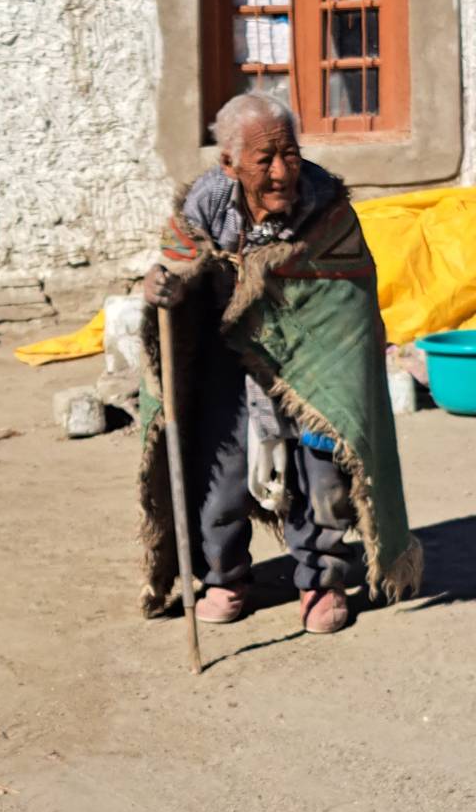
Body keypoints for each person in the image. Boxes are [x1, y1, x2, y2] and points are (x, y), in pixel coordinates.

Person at [140, 92, 422, 634]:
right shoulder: (205, 206)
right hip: (230, 357)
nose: (281, 171)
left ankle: (322, 579)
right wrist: (162, 288)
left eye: (289, 153)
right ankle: (223, 575)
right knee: (218, 469)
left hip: (313, 359)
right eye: (263, 159)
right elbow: (173, 272)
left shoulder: (327, 208)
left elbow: (349, 308)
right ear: (228, 163)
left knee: (321, 469)